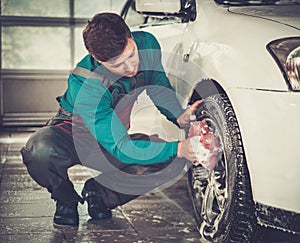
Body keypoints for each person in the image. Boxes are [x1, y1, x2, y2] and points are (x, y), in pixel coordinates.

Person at [20, 12, 202, 227]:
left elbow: (157, 84)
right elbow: (120, 146)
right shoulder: (86, 83)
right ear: (96, 59)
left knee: (168, 160)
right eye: (117, 65)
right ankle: (64, 198)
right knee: (40, 150)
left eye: (131, 55)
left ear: (130, 37)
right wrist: (180, 147)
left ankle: (100, 194)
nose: (130, 68)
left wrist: (178, 115)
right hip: (72, 135)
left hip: (112, 136)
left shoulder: (147, 44)